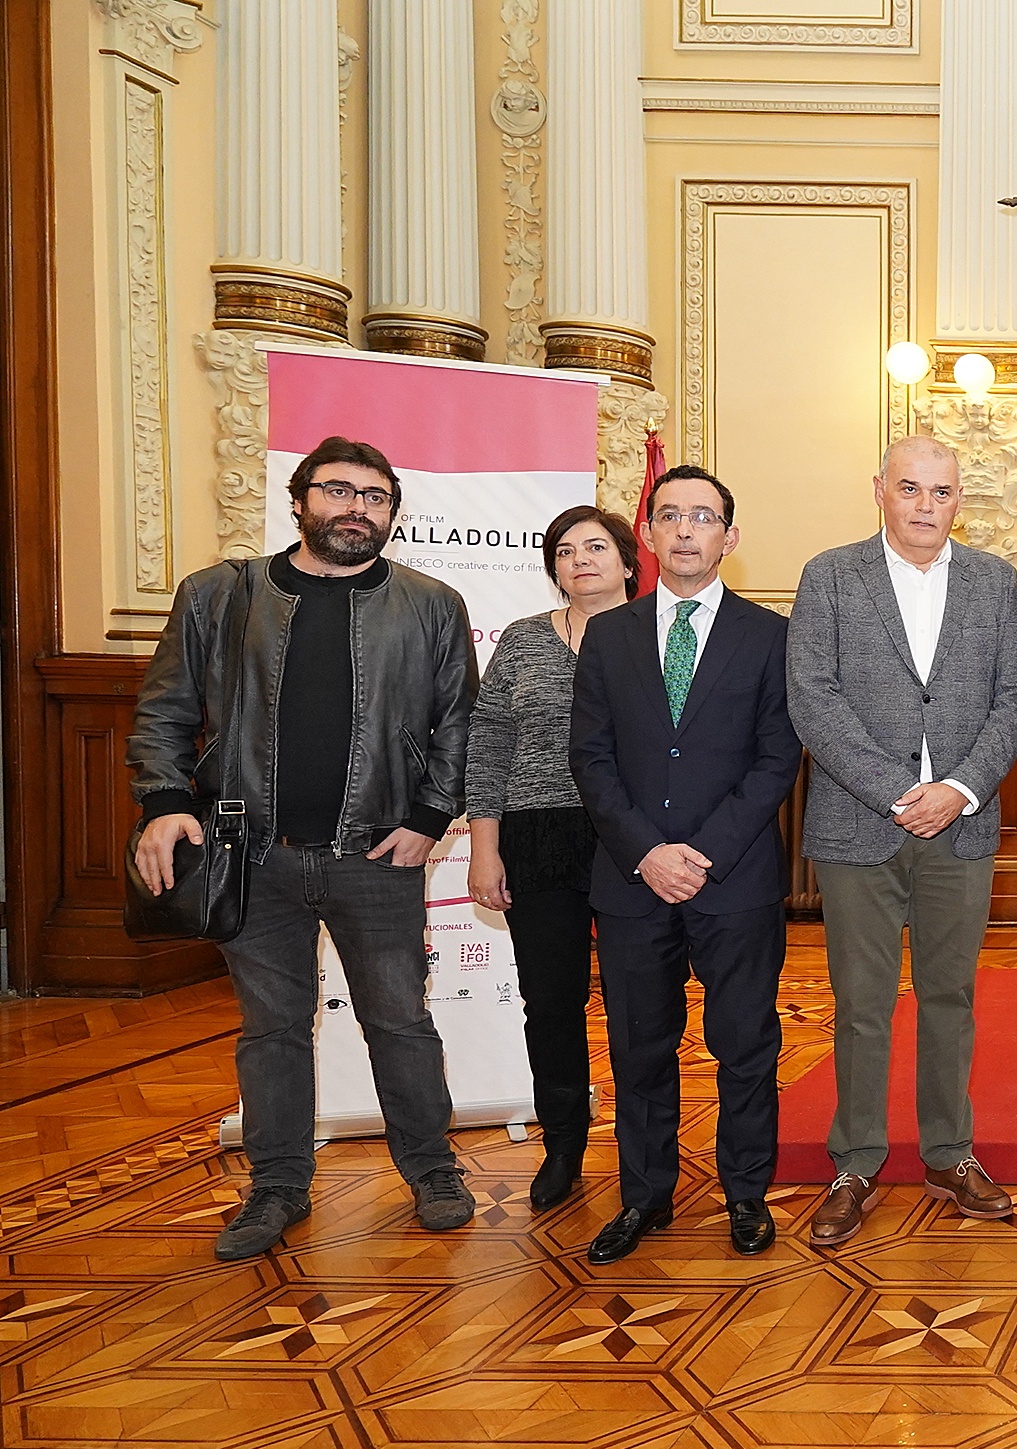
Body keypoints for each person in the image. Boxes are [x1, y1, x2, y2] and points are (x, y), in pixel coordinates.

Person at [130, 435, 479, 1261]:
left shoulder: (432, 603)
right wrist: (165, 804)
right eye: (339, 490)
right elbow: (165, 711)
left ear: (392, 514)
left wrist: (430, 816)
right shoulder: (220, 594)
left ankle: (433, 1170)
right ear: (298, 500)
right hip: (253, 856)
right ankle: (277, 1185)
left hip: (379, 856)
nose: (357, 508)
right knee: (271, 1030)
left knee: (401, 1021)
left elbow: (458, 722)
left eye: (375, 496)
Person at [787, 437, 1017, 1247]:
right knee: (861, 1004)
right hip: (859, 826)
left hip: (960, 827)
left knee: (949, 998)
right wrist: (898, 791)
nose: (926, 505)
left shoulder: (993, 581)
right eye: (910, 488)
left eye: (941, 491)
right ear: (880, 491)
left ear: (960, 498)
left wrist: (959, 789)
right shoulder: (830, 575)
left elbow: (1014, 695)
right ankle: (856, 1162)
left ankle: (949, 1154)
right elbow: (812, 697)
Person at [568, 464, 799, 1264]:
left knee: (745, 1044)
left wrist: (702, 853)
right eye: (670, 515)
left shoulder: (769, 635)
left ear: (729, 537)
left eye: (703, 517)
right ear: (649, 534)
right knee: (639, 1048)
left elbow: (777, 758)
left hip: (734, 880)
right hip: (632, 880)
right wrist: (647, 852)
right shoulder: (610, 635)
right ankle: (645, 1196)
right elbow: (590, 758)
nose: (686, 529)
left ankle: (746, 1193)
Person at [464, 507, 639, 1213]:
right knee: (551, 1001)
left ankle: (643, 1148)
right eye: (565, 551)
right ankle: (563, 1144)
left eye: (596, 546)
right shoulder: (524, 639)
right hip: (537, 836)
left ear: (628, 560)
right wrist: (484, 848)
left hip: (631, 839)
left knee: (638, 1001)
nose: (580, 560)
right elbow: (488, 742)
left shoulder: (659, 633)